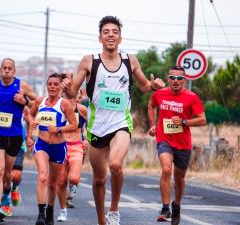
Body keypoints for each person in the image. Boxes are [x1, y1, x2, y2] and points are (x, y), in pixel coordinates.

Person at [61, 16, 165, 225]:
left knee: (116, 164)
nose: (110, 35)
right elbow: (73, 91)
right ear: (100, 37)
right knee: (99, 179)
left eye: (114, 32)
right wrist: (67, 87)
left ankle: (114, 210)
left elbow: (144, 85)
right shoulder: (89, 60)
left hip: (121, 123)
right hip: (97, 126)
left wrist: (153, 86)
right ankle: (101, 220)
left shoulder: (130, 60)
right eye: (106, 32)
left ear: (120, 37)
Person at [147, 66, 206, 225]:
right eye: (172, 78)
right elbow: (151, 105)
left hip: (183, 144)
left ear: (184, 81)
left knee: (179, 178)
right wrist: (153, 125)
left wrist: (185, 122)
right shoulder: (160, 94)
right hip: (164, 139)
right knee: (166, 169)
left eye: (179, 78)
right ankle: (166, 208)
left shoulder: (192, 97)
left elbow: (202, 119)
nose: (175, 81)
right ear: (168, 79)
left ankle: (177, 205)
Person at [0, 58, 37, 222]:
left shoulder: (22, 86)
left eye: (9, 68)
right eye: (4, 68)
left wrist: (24, 101)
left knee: (7, 174)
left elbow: (37, 101)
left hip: (14, 135)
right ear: (0, 70)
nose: (6, 70)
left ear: (14, 71)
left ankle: (7, 192)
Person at [28, 73, 77, 225]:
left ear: (60, 86)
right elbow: (30, 115)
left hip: (58, 147)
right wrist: (32, 124)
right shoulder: (39, 102)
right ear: (46, 85)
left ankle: (50, 210)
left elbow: (74, 124)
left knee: (53, 183)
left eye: (56, 84)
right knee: (43, 176)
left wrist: (59, 129)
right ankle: (41, 214)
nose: (52, 87)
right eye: (50, 84)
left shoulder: (65, 104)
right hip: (42, 144)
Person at [56, 90, 87, 222]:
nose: (68, 97)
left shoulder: (82, 109)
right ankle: (63, 211)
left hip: (76, 147)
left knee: (73, 178)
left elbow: (92, 124)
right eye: (65, 95)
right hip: (61, 146)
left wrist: (87, 139)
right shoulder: (58, 108)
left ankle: (73, 186)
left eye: (71, 94)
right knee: (61, 181)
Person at [10, 106, 32, 208]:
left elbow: (30, 122)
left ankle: (14, 187)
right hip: (4, 143)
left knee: (16, 175)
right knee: (4, 173)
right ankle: (5, 199)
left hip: (19, 145)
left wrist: (28, 137)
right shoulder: (2, 104)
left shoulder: (25, 109)